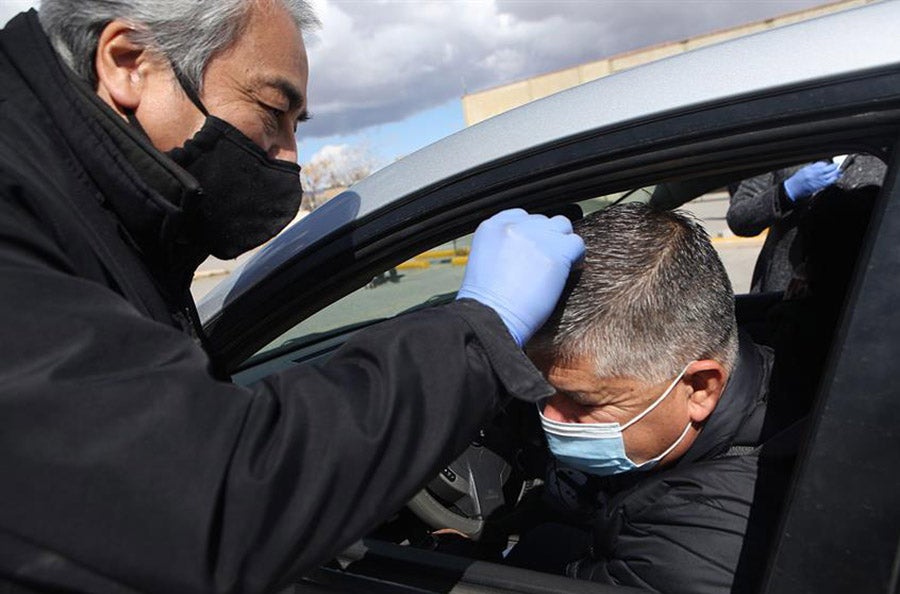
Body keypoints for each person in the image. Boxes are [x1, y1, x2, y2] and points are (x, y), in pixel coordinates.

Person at [0, 2, 584, 593]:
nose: (290, 158)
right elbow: (212, 498)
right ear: (129, 63)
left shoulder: (82, 208)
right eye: (274, 111)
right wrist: (480, 330)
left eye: (297, 125)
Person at [507, 203, 800, 594]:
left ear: (700, 388)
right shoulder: (763, 371)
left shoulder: (690, 550)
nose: (550, 418)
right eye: (539, 389)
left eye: (582, 403)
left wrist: (455, 556)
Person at [726, 155, 885, 293]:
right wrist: (784, 193)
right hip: (782, 295)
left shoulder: (879, 156)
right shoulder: (788, 145)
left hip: (859, 295)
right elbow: (739, 219)